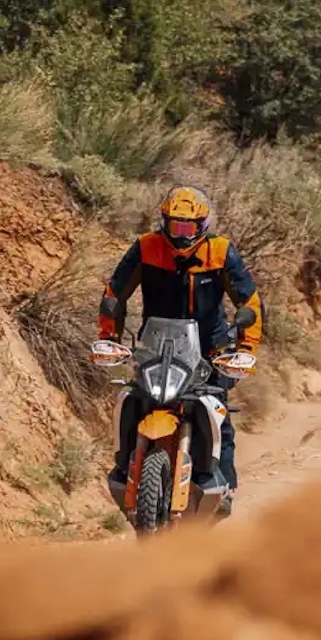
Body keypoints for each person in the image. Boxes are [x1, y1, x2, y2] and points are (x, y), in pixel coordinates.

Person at [98, 185, 263, 515]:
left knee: (218, 409)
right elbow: (115, 293)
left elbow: (249, 302)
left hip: (209, 348)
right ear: (164, 223)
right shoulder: (147, 248)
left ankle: (224, 484)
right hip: (156, 346)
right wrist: (109, 336)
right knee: (134, 399)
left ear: (202, 226)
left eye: (188, 228)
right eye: (175, 227)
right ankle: (124, 466)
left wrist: (245, 347)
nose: (181, 235)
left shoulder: (221, 251)